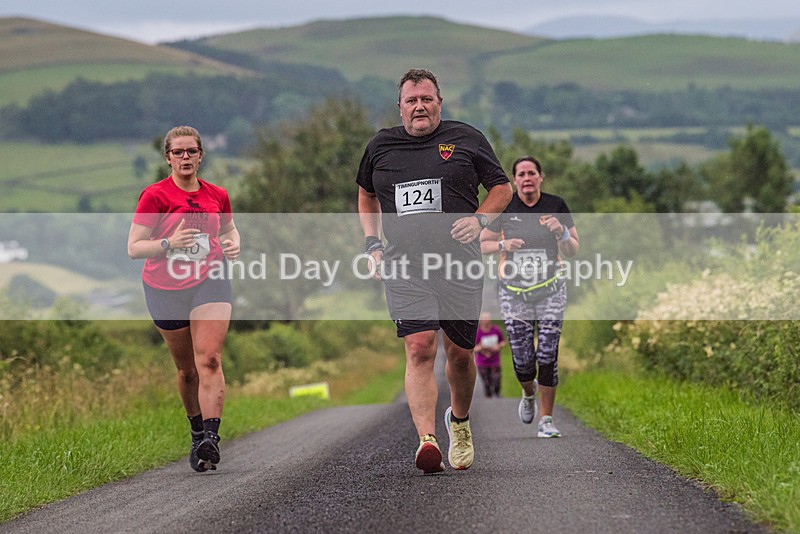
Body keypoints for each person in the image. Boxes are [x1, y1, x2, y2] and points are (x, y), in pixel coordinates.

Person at [356, 68, 513, 473]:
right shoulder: (381, 146)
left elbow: (502, 188)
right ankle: (427, 440)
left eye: (427, 99)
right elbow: (366, 194)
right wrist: (372, 244)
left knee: (460, 354)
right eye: (412, 100)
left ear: (439, 103)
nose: (420, 106)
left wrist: (479, 220)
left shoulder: (467, 138)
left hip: (459, 264)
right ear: (400, 107)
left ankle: (458, 421)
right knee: (419, 346)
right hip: (405, 264)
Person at [127, 125, 240, 471]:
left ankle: (211, 438)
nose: (185, 157)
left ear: (200, 155)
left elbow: (229, 229)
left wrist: (233, 244)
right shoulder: (154, 196)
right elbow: (134, 248)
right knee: (187, 370)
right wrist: (168, 244)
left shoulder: (217, 194)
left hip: (210, 279)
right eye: (178, 152)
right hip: (164, 287)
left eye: (191, 151)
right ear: (168, 158)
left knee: (209, 359)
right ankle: (196, 433)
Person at [479, 155, 579, 438]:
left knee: (547, 354)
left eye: (531, 173)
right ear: (514, 180)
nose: (526, 178)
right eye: (521, 174)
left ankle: (546, 420)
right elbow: (481, 243)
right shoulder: (505, 207)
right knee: (523, 361)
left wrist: (561, 233)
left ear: (540, 177)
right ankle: (528, 392)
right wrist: (503, 244)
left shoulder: (556, 205)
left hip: (551, 290)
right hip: (514, 293)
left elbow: (573, 249)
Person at [474, 312, 506, 398]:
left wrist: (498, 346)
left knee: (496, 381)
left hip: (495, 361)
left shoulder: (496, 329)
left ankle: (497, 396)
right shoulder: (477, 332)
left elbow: (503, 342)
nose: (486, 321)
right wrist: (480, 347)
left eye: (487, 318)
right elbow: (473, 348)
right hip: (482, 362)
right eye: (484, 319)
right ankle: (488, 398)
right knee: (487, 383)